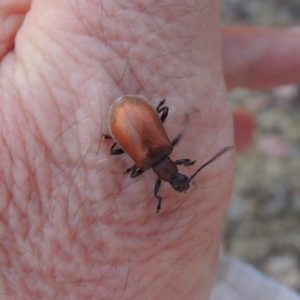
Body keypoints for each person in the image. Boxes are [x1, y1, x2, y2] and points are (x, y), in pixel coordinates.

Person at [1, 1, 300, 299]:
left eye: (177, 179)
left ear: (173, 174)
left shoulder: (162, 153)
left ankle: (115, 136)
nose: (179, 179)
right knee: (138, 136)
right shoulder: (147, 163)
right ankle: (113, 136)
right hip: (128, 118)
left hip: (129, 118)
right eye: (180, 177)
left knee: (153, 124)